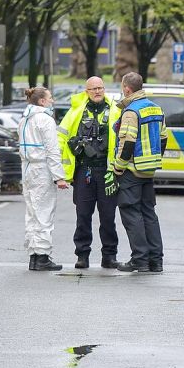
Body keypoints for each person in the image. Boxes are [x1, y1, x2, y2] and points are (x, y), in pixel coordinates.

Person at [59, 76, 121, 269]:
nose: (97, 91)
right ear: (86, 91)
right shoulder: (76, 111)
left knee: (108, 216)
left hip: (107, 171)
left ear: (105, 89)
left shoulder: (116, 110)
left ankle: (109, 256)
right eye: (93, 89)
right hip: (84, 171)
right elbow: (60, 138)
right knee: (83, 215)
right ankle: (82, 255)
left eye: (100, 88)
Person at [113, 72, 168, 273]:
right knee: (149, 214)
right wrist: (153, 160)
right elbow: (163, 138)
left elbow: (127, 143)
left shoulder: (131, 112)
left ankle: (140, 260)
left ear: (127, 89)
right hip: (149, 169)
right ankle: (156, 261)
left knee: (131, 214)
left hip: (132, 170)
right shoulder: (156, 108)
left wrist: (118, 167)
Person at [18, 87, 69, 272]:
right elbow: (52, 150)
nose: (52, 101)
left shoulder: (24, 119)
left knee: (32, 213)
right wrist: (59, 177)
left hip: (27, 169)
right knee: (44, 213)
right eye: (50, 98)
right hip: (41, 170)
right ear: (41, 101)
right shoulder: (45, 120)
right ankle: (42, 257)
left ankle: (33, 256)